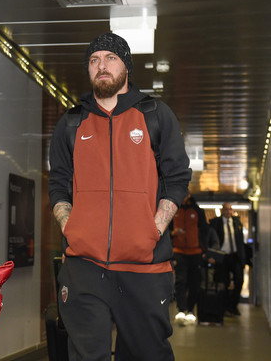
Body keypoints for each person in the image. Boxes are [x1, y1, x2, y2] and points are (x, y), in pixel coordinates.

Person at [48, 32, 191, 360]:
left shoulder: (155, 115)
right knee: (86, 355)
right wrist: (70, 226)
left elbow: (177, 178)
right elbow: (59, 183)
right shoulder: (71, 123)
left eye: (110, 58)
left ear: (126, 65)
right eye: (94, 60)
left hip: (144, 270)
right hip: (84, 268)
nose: (102, 66)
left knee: (148, 354)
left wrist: (153, 229)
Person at [170, 194, 213, 326]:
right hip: (178, 251)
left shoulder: (198, 211)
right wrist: (173, 234)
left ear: (188, 196)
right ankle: (181, 309)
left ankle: (190, 310)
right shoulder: (173, 209)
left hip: (195, 252)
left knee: (194, 282)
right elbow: (167, 228)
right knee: (180, 281)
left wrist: (204, 249)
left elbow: (204, 230)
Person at [209, 203, 246, 316]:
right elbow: (212, 240)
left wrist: (243, 258)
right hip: (222, 256)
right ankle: (224, 307)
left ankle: (232, 306)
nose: (228, 212)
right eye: (226, 209)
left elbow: (240, 241)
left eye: (230, 209)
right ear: (222, 210)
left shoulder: (237, 222)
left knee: (239, 281)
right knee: (223, 282)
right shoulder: (215, 223)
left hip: (235, 256)